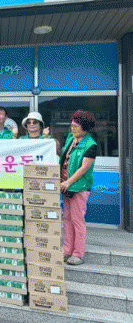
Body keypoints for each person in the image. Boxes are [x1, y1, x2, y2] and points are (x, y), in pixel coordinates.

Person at [60, 110, 97, 266]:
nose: (72, 128)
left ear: (85, 127)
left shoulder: (90, 144)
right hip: (66, 185)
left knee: (77, 220)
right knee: (67, 218)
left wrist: (68, 182)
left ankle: (78, 253)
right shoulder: (71, 138)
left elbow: (84, 168)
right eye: (72, 125)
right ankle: (67, 250)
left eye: (76, 126)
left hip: (79, 187)